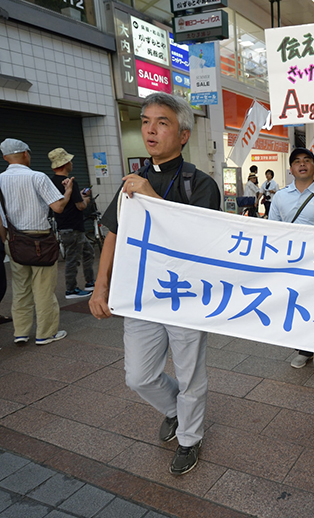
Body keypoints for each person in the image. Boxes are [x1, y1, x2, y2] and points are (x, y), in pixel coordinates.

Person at [88, 93, 221, 475]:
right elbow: (113, 233)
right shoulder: (132, 181)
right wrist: (100, 287)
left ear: (182, 134)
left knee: (190, 373)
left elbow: (199, 242)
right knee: (138, 375)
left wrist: (153, 199)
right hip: (141, 294)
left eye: (162, 122)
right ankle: (174, 410)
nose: (150, 129)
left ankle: (190, 438)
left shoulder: (201, 184)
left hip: (186, 297)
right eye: (146, 121)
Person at [0, 138, 74, 345]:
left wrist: (6, 242)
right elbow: (58, 207)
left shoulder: (0, 180)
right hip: (40, 240)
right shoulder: (37, 177)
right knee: (43, 289)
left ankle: (21, 332)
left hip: (14, 240)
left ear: (5, 158)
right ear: (25, 154)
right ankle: (45, 333)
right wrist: (67, 191)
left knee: (21, 288)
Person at [270, 147, 314, 370]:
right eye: (297, 161)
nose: (302, 164)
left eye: (307, 160)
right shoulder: (279, 196)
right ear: (291, 168)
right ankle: (302, 349)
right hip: (288, 260)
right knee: (293, 303)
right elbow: (273, 230)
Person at [47, 148, 95, 299]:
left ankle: (90, 281)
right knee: (72, 259)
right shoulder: (70, 182)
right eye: (70, 161)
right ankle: (71, 289)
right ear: (65, 163)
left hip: (65, 226)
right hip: (73, 227)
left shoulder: (50, 182)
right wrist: (86, 198)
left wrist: (78, 195)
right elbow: (80, 206)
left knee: (88, 252)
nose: (72, 163)